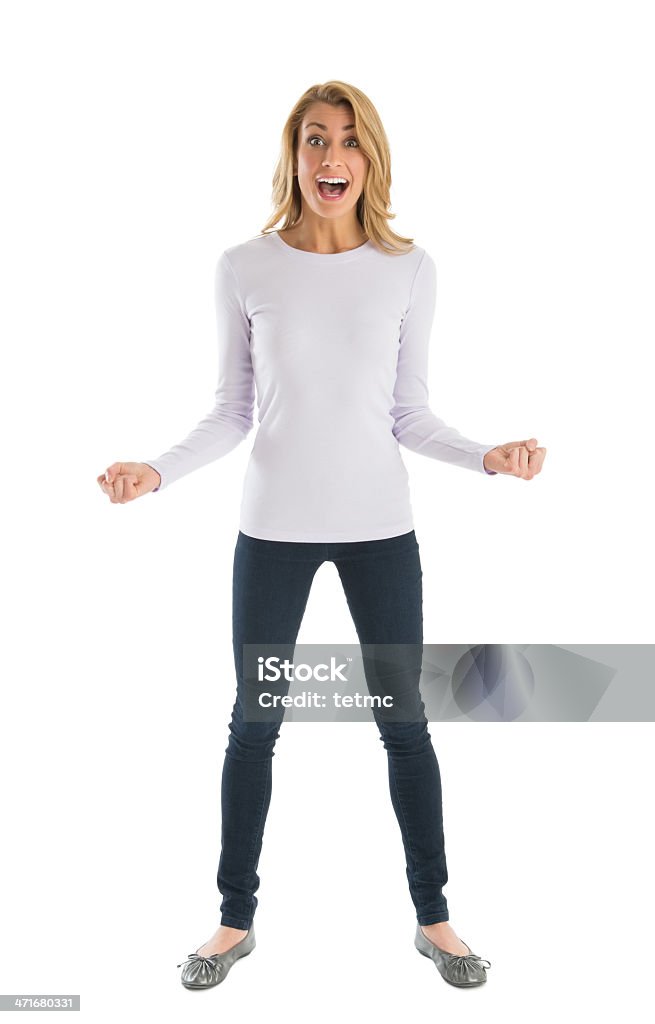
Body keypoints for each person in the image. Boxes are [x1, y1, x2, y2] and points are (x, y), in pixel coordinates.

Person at [97, 80, 546, 991]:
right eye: (313, 140)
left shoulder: (408, 270)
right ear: (293, 155)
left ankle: (435, 919)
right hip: (272, 530)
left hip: (383, 529)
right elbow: (231, 413)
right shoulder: (244, 266)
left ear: (369, 159)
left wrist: (486, 456)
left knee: (404, 725)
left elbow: (408, 415)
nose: (330, 158)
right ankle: (232, 922)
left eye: (347, 141)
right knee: (253, 724)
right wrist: (156, 469)